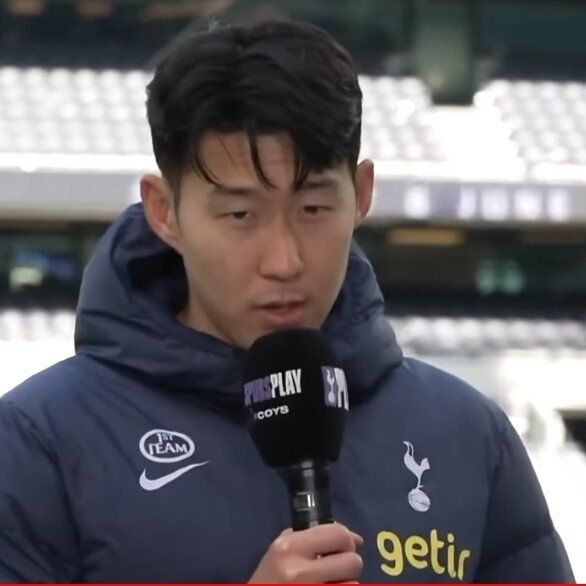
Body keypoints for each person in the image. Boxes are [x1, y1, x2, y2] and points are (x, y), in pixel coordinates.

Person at [0, 19, 575, 583]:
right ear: (164, 211)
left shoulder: (468, 434)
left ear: (362, 194)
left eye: (313, 209)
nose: (284, 260)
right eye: (240, 214)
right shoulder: (39, 440)